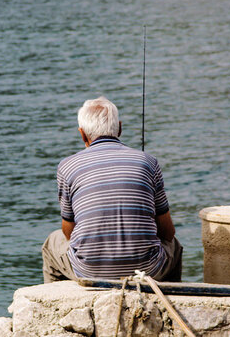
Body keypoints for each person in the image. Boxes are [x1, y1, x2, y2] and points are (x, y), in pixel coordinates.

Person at [42, 97, 182, 283]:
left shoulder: (67, 166)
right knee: (175, 246)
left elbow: (68, 232)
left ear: (82, 134)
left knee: (52, 242)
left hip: (88, 271)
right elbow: (168, 232)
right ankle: (169, 301)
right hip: (148, 271)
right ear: (120, 128)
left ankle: (56, 305)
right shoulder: (148, 162)